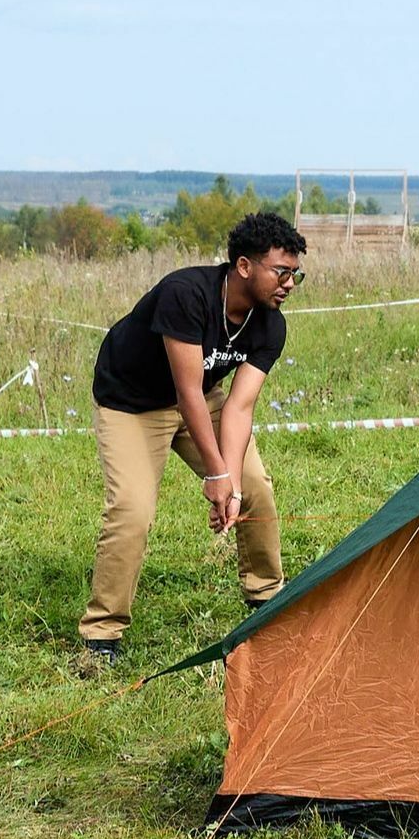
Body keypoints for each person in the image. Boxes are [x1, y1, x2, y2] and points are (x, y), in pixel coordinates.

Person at [78, 211, 305, 666]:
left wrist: (233, 483)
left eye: (296, 274)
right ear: (245, 266)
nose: (289, 284)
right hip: (132, 403)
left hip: (204, 397)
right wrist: (216, 472)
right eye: (281, 272)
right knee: (132, 508)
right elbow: (185, 392)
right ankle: (101, 633)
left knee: (256, 486)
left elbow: (238, 407)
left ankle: (266, 597)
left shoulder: (270, 324)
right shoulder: (187, 294)